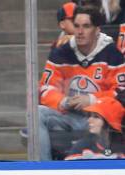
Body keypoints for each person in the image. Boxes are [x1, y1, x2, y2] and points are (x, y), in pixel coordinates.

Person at [38, 5, 125, 160]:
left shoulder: (112, 54)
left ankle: (110, 161)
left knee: (107, 120)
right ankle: (44, 168)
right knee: (37, 113)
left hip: (99, 120)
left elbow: (121, 92)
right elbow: (45, 88)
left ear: (97, 30)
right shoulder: (61, 53)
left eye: (86, 26)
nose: (79, 31)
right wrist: (63, 101)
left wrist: (93, 100)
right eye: (77, 26)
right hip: (68, 116)